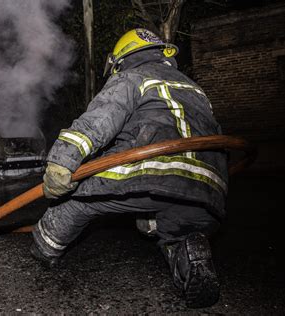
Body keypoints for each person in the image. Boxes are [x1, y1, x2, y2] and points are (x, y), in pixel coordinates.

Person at [30, 29, 228, 308]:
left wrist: (62, 161)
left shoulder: (131, 77)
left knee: (75, 200)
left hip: (148, 169)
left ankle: (44, 247)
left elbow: (98, 121)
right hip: (207, 186)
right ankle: (187, 251)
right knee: (177, 228)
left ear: (120, 59)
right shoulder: (194, 88)